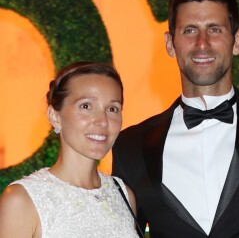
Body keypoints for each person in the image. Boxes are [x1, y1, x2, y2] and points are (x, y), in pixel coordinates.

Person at [112, 0, 239, 238]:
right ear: (170, 43)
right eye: (190, 30)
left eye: (214, 29)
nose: (202, 43)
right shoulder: (130, 146)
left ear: (237, 40)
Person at [0, 61, 141, 238]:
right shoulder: (22, 200)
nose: (102, 121)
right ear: (55, 117)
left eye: (112, 109)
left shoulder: (123, 194)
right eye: (86, 106)